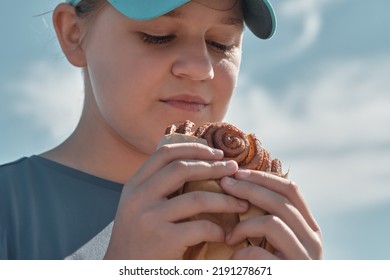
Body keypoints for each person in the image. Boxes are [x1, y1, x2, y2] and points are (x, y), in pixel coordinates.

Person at [0, 0, 322, 260]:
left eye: (221, 43)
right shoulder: (11, 208)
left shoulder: (262, 228)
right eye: (159, 36)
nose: (200, 67)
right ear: (73, 34)